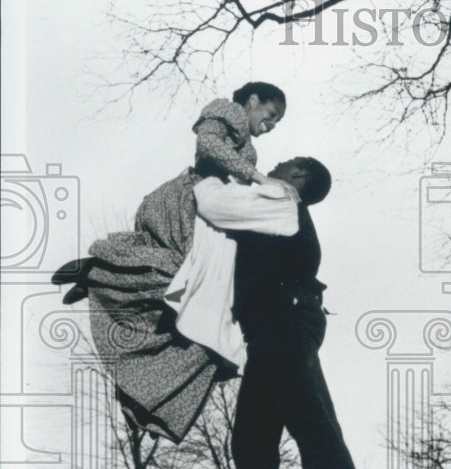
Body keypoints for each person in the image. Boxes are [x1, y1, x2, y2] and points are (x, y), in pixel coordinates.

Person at [193, 160, 399, 469]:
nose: (276, 163)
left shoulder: (281, 198)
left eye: (287, 162)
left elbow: (215, 209)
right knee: (250, 447)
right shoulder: (269, 207)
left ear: (300, 175)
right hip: (269, 333)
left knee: (317, 436)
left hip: (285, 328)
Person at [51, 82, 289, 442]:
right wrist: (257, 177)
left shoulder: (248, 145)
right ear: (252, 101)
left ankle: (142, 391)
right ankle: (99, 270)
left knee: (180, 307)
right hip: (187, 202)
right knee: (183, 282)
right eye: (271, 116)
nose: (272, 125)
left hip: (203, 211)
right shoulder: (226, 109)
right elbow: (207, 144)